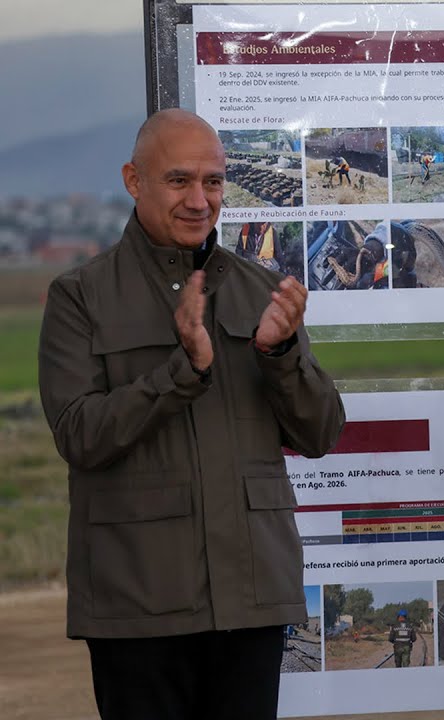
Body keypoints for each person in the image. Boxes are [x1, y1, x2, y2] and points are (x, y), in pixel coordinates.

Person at [37, 108, 346, 720]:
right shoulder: (81, 297)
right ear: (134, 180)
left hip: (252, 597)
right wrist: (182, 372)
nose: (199, 200)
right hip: (140, 607)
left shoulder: (261, 290)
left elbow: (320, 433)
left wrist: (281, 355)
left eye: (212, 181)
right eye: (179, 180)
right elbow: (80, 435)